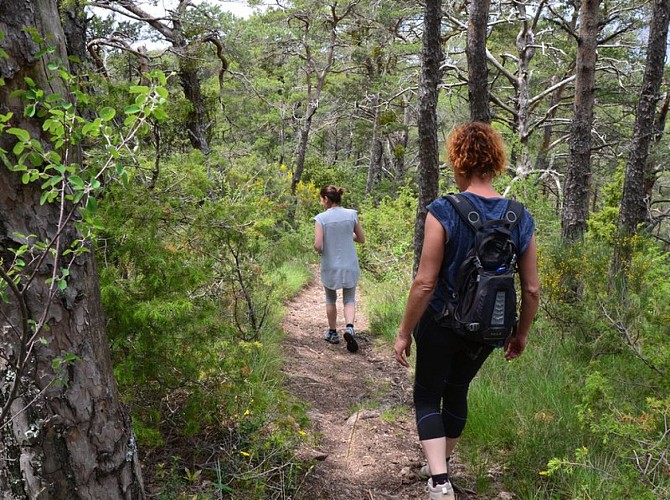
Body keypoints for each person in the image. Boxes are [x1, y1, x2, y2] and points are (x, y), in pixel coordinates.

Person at [393, 122, 540, 499]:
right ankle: (439, 463)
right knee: (457, 389)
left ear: (458, 161)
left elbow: (425, 283)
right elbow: (532, 289)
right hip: (488, 328)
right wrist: (519, 334)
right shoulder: (520, 217)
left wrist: (404, 332)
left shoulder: (443, 209)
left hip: (441, 323)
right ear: (495, 161)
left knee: (427, 396)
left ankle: (439, 482)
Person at [314, 185, 366, 353]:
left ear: (327, 199)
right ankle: (350, 328)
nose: (321, 202)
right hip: (350, 264)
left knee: (331, 299)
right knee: (349, 299)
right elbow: (361, 238)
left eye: (322, 199)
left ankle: (333, 332)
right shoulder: (352, 214)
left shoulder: (321, 218)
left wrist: (325, 246)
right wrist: (345, 236)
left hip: (330, 265)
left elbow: (318, 245)